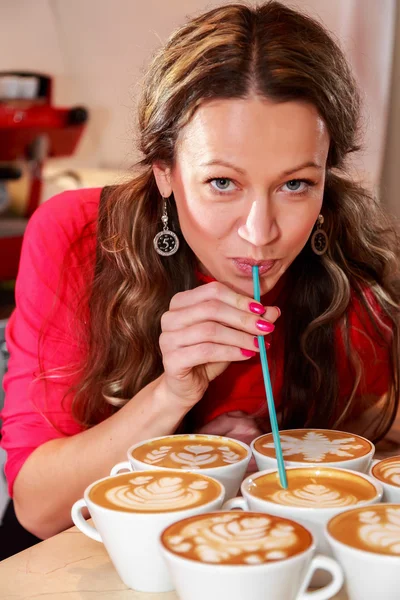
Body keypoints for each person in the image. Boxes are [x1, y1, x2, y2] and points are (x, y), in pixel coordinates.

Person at [1, 0, 399, 542]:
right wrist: (172, 398)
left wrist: (232, 452)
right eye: (222, 183)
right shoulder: (78, 237)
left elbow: (374, 421)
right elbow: (36, 508)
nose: (260, 235)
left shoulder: (349, 258)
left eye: (296, 184)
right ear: (164, 172)